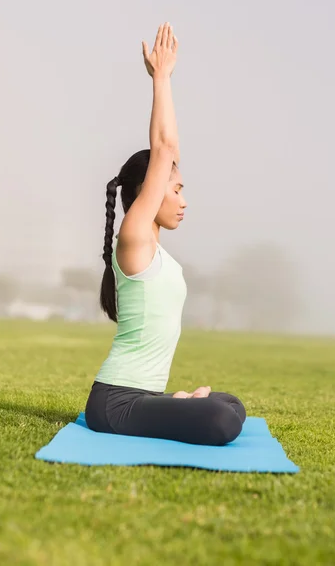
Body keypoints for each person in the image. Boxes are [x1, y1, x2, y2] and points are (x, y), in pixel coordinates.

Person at [85, 22, 246, 445]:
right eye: (175, 189)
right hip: (116, 401)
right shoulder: (134, 237)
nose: (183, 200)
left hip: (141, 398)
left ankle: (179, 403)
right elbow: (165, 148)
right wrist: (162, 78)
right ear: (147, 193)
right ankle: (183, 406)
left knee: (232, 406)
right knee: (221, 421)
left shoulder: (160, 256)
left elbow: (167, 154)